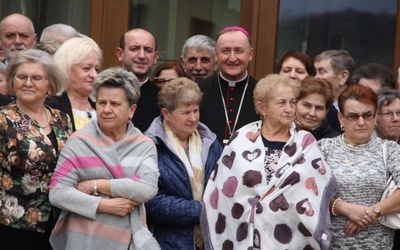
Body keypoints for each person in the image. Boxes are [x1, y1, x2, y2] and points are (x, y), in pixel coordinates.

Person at [201, 74, 337, 249]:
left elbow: (315, 190)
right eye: (281, 103)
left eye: (292, 102)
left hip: (289, 238)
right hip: (241, 238)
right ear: (262, 108)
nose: (289, 109)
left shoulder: (305, 143)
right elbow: (221, 192)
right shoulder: (241, 139)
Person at [49, 67, 160, 250]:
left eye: (115, 104)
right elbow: (58, 193)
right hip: (82, 239)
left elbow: (147, 188)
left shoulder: (144, 144)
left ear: (131, 110)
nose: (106, 110)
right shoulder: (79, 141)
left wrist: (97, 185)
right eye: (101, 103)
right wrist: (105, 205)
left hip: (126, 240)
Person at [0, 49, 72, 249]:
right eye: (22, 77)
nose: (28, 83)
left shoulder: (62, 119)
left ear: (50, 84)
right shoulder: (3, 120)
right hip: (13, 226)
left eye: (36, 77)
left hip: (58, 223)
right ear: (13, 82)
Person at [318, 84, 400, 249]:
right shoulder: (324, 148)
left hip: (378, 245)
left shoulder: (390, 150)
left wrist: (371, 213)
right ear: (341, 118)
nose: (361, 122)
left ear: (376, 116)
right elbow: (309, 191)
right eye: (353, 116)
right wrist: (343, 208)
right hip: (332, 244)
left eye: (367, 115)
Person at [144, 77, 222, 249]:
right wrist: (200, 210)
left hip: (208, 242)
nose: (193, 118)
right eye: (186, 112)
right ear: (166, 114)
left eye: (196, 110)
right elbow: (149, 201)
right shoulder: (150, 145)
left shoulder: (211, 143)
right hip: (165, 243)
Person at [198, 26, 259, 145]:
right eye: (225, 51)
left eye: (239, 51)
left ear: (250, 54)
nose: (232, 58)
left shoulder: (264, 93)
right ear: (216, 55)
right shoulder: (198, 90)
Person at [46, 37, 102, 132]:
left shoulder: (101, 105)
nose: (94, 75)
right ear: (66, 68)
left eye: (97, 69)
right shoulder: (51, 106)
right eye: (86, 68)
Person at [115, 28, 160, 132]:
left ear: (155, 57)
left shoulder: (163, 98)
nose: (142, 56)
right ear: (120, 54)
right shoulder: (105, 92)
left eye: (148, 50)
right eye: (134, 49)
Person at [314, 50, 355, 133]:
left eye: (322, 72)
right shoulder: (312, 105)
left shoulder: (357, 108)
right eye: (315, 72)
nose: (316, 77)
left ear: (343, 77)